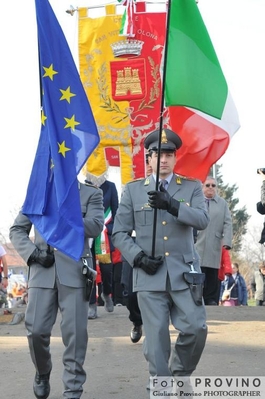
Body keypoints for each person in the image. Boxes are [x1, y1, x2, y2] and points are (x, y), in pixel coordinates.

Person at [112, 128, 209, 380]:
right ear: (149, 159)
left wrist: (173, 205)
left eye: (168, 154)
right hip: (149, 276)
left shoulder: (192, 187)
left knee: (196, 329)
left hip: (184, 274)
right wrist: (138, 258)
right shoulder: (133, 191)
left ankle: (180, 372)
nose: (163, 159)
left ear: (175, 158)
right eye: (157, 154)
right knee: (155, 344)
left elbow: (202, 219)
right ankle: (161, 389)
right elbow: (119, 233)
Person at [9, 180, 104, 399]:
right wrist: (32, 254)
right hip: (42, 268)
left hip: (75, 269)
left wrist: (67, 215)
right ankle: (43, 372)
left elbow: (96, 225)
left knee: (75, 334)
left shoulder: (90, 193)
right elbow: (17, 229)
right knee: (36, 330)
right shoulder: (39, 191)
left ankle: (72, 389)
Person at [195, 176, 233, 305]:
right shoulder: (196, 201)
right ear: (202, 187)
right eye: (207, 185)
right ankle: (196, 297)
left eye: (213, 185)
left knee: (212, 272)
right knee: (197, 271)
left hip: (214, 243)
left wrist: (227, 241)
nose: (211, 188)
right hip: (197, 242)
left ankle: (210, 299)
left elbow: (228, 223)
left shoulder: (222, 204)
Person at [86, 173, 119, 319]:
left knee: (106, 269)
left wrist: (111, 230)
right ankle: (92, 304)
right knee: (89, 270)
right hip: (88, 234)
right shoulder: (84, 186)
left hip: (105, 234)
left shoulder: (110, 186)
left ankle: (107, 293)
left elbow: (116, 211)